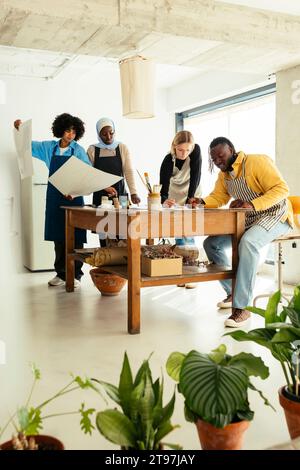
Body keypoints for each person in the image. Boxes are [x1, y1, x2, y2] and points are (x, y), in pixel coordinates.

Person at [192, 136, 293, 327]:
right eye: (214, 159)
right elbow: (219, 196)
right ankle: (233, 292)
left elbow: (282, 188)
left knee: (248, 242)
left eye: (220, 155)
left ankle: (242, 307)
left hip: (276, 214)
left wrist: (252, 204)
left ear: (231, 149)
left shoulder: (256, 161)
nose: (218, 161)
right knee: (211, 244)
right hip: (249, 217)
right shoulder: (224, 175)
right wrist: (203, 202)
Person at [14, 113, 91, 288]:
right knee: (58, 236)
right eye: (67, 130)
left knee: (76, 237)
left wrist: (75, 190)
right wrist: (19, 130)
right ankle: (61, 274)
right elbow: (27, 145)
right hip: (55, 195)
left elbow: (87, 173)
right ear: (60, 130)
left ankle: (76, 275)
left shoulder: (78, 150)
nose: (70, 134)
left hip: (74, 196)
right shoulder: (49, 147)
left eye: (73, 131)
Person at [87, 117, 140, 246]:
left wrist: (134, 193)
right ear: (98, 134)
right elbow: (90, 174)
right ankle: (107, 261)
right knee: (104, 232)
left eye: (111, 132)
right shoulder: (92, 149)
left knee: (122, 232)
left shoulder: (122, 147)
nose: (108, 136)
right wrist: (104, 186)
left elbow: (128, 171)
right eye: (104, 134)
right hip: (101, 196)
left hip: (120, 195)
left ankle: (122, 263)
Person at [159, 130, 202, 289]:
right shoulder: (167, 160)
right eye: (180, 150)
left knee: (189, 233)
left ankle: (191, 275)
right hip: (175, 195)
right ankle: (181, 273)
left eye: (187, 150)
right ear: (174, 146)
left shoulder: (196, 151)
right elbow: (162, 189)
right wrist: (164, 201)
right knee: (179, 235)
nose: (184, 153)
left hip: (192, 193)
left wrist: (191, 199)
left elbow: (196, 176)